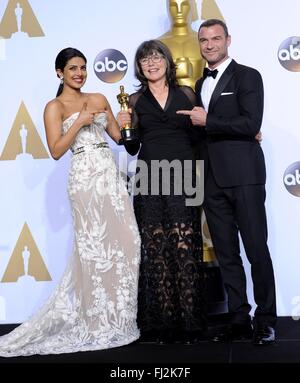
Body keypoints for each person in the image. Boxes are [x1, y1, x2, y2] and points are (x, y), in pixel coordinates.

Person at [0, 47, 140, 357]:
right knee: (92, 251)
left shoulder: (101, 98)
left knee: (127, 243)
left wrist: (127, 122)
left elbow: (124, 143)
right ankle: (97, 323)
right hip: (84, 180)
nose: (79, 73)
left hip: (110, 177)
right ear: (59, 73)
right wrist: (80, 122)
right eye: (72, 68)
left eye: (83, 67)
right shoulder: (54, 106)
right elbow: (56, 149)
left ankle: (121, 321)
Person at [177, 19, 276, 345]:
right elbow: (199, 132)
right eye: (204, 40)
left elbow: (251, 122)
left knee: (256, 250)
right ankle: (238, 319)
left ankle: (265, 320)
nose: (209, 45)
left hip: (244, 177)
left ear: (228, 40)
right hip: (211, 179)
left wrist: (210, 120)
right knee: (227, 254)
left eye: (215, 38)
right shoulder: (197, 82)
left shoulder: (248, 76)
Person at [116, 39, 207, 345]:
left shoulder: (186, 93)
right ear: (140, 68)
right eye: (145, 60)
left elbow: (199, 137)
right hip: (148, 175)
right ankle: (163, 323)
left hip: (183, 174)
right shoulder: (135, 100)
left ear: (167, 61)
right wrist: (123, 126)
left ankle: (191, 323)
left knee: (185, 245)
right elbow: (131, 145)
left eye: (156, 57)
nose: (152, 63)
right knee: (156, 249)